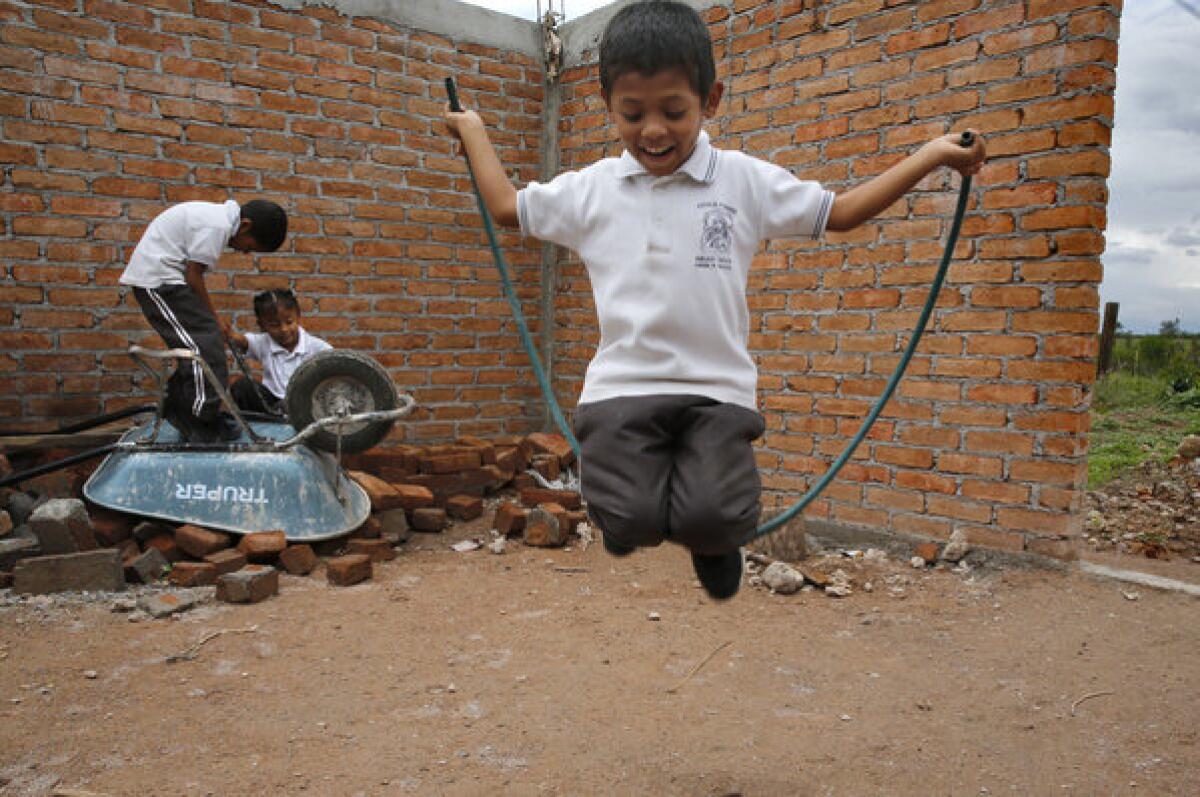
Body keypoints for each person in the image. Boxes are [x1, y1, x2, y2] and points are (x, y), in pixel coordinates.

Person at [443, 0, 986, 600]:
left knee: (713, 514)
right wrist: (473, 132)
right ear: (608, 108)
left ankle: (713, 542)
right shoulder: (591, 190)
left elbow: (843, 211)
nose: (653, 130)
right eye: (633, 113)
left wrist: (933, 155)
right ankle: (633, 516)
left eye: (674, 111)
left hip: (715, 394)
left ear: (711, 99)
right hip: (622, 390)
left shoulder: (743, 182)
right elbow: (506, 206)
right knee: (628, 518)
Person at [119, 199, 288, 442]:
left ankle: (180, 406)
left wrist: (211, 320)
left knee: (200, 344)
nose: (245, 252)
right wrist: (214, 318)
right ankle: (201, 418)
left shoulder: (218, 219)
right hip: (157, 282)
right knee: (203, 346)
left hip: (168, 281)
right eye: (250, 246)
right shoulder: (217, 226)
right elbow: (194, 276)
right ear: (246, 225)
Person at [223, 288, 332, 414]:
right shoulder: (263, 343)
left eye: (289, 322)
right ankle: (266, 423)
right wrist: (228, 334)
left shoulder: (319, 348)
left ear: (298, 316)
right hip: (272, 406)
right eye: (274, 325)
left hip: (305, 406)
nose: (284, 329)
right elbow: (241, 340)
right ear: (262, 325)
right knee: (242, 387)